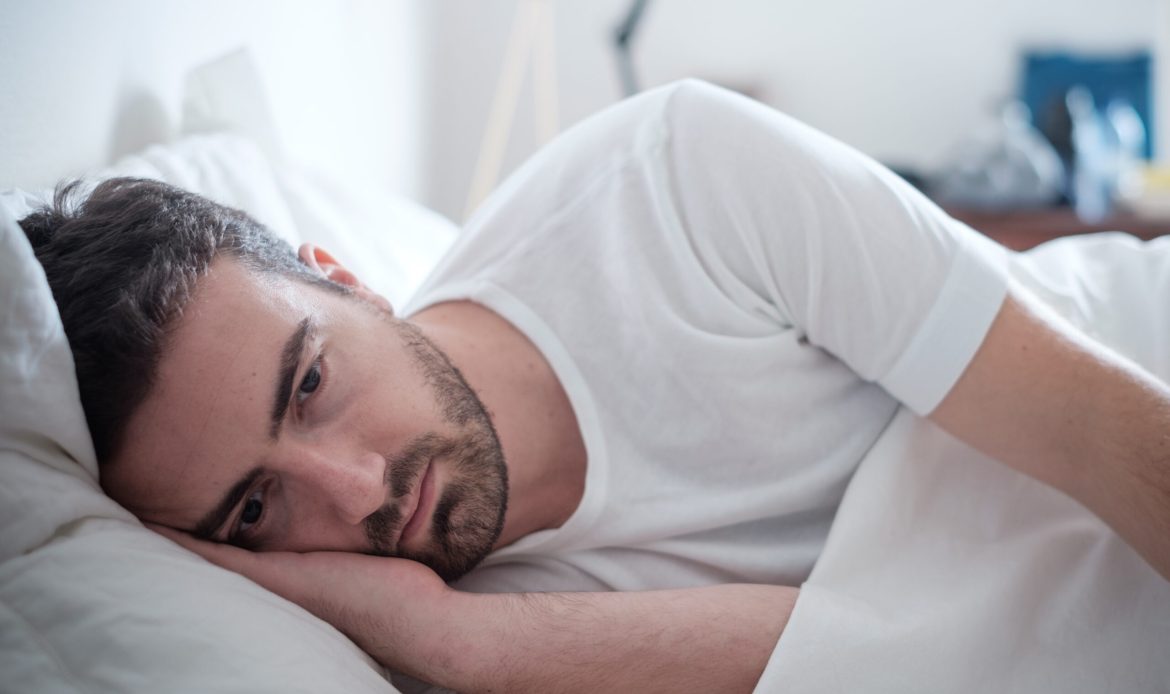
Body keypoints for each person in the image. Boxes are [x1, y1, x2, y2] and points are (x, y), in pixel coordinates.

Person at [19, 80, 1170, 692]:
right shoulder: (402, 617)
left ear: (348, 279)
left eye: (310, 381)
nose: (359, 489)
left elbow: (1101, 427)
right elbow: (867, 648)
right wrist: (460, 646)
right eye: (255, 508)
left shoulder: (676, 182)